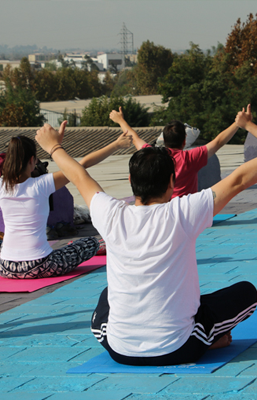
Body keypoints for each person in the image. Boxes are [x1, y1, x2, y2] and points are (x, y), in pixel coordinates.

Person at [35, 122, 257, 366]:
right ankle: (209, 340)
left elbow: (79, 176)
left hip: (119, 349)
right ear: (172, 182)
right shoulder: (183, 212)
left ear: (131, 179)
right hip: (178, 348)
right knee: (247, 292)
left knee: (108, 295)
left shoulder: (110, 213)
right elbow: (239, 180)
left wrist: (53, 146)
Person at [0, 121, 132, 279]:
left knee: (68, 249)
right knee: (89, 243)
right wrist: (116, 145)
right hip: (39, 265)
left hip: (5, 267)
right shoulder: (41, 185)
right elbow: (80, 166)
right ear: (33, 161)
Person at [109, 107, 243, 198]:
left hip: (163, 211)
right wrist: (238, 123)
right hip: (187, 214)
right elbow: (218, 142)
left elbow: (134, 137)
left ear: (163, 140)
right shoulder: (190, 158)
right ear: (185, 141)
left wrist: (120, 120)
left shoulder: (153, 156)